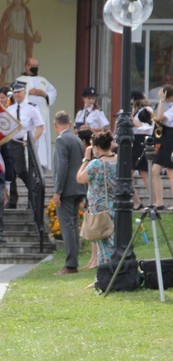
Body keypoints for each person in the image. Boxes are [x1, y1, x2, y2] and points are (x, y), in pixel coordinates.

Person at [51, 111, 87, 275]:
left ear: (55, 125)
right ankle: (73, 261)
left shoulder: (61, 140)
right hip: (78, 187)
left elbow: (61, 167)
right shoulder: (77, 139)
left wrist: (57, 191)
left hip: (66, 190)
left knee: (67, 226)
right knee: (73, 226)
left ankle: (71, 264)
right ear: (70, 123)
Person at [76, 131, 117, 266]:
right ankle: (109, 271)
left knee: (103, 242)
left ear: (97, 147)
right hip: (117, 205)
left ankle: (105, 271)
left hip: (100, 207)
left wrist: (86, 159)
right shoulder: (119, 160)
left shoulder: (96, 164)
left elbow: (80, 178)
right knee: (114, 239)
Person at [6, 77, 44, 209]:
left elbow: (40, 126)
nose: (17, 95)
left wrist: (31, 140)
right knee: (10, 172)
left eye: (19, 92)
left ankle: (34, 193)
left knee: (21, 170)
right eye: (15, 93)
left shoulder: (31, 108)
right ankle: (12, 200)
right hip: (11, 142)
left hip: (22, 143)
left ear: (24, 92)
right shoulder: (10, 109)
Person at [0, 0, 40, 85]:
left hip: (21, 41)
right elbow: (5, 26)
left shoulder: (25, 11)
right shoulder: (10, 11)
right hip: (11, 40)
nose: (17, 0)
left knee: (20, 59)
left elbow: (27, 26)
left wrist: (32, 36)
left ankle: (20, 80)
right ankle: (9, 79)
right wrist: (6, 27)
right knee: (12, 61)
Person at [23, 58, 57, 170]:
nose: (35, 68)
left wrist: (45, 94)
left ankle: (41, 164)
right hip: (27, 118)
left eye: (36, 65)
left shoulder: (43, 80)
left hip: (42, 117)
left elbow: (53, 92)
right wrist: (29, 92)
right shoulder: (20, 80)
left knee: (41, 139)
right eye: (33, 65)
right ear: (27, 66)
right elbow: (14, 95)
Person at [131, 90, 153, 210]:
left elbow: (148, 127)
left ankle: (153, 201)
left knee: (145, 173)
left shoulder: (146, 111)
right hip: (134, 142)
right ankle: (136, 201)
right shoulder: (136, 112)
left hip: (142, 140)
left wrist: (132, 120)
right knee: (127, 175)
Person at [152, 84, 173, 210]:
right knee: (155, 170)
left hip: (171, 140)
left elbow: (159, 117)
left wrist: (161, 100)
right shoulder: (170, 107)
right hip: (166, 139)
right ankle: (159, 202)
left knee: (171, 172)